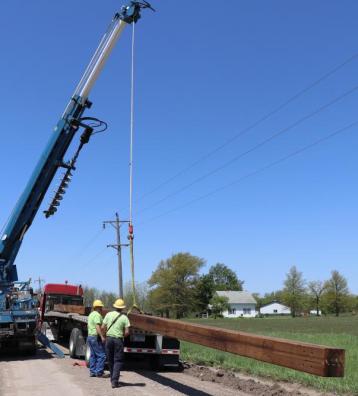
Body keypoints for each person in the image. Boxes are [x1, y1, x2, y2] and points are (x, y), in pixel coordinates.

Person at [102, 298, 130, 388]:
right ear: (122, 308)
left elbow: (103, 327)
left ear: (115, 306)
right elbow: (127, 332)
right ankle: (114, 381)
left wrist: (104, 336)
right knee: (118, 361)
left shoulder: (108, 314)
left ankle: (112, 379)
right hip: (118, 340)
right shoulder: (124, 317)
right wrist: (121, 336)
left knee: (110, 360)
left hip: (109, 339)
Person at [87, 299, 106, 377]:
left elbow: (88, 325)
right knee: (101, 355)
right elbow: (97, 326)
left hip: (90, 336)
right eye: (100, 307)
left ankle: (92, 371)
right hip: (95, 337)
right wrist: (102, 336)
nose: (101, 308)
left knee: (93, 355)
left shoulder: (91, 314)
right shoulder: (97, 315)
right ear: (97, 307)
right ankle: (99, 372)